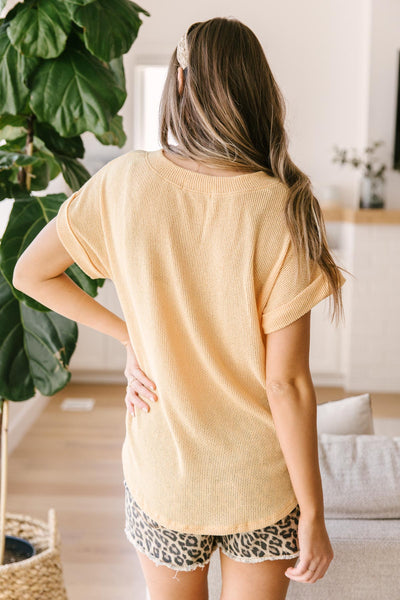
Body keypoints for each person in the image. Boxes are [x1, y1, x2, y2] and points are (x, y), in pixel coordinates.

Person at [13, 16, 348, 600]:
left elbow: (30, 273)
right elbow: (287, 384)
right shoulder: (284, 207)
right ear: (255, 89)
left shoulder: (124, 183)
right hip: (260, 487)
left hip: (165, 480)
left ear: (182, 84)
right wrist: (314, 514)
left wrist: (131, 338)